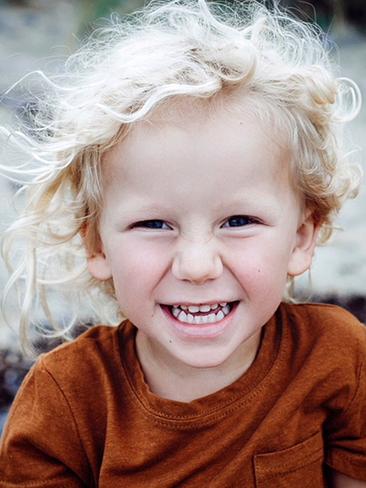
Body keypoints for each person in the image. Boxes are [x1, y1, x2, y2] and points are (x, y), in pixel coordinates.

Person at [0, 0, 365, 486]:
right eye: (154, 224)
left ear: (301, 237)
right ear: (97, 245)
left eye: (238, 220)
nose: (196, 265)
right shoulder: (66, 401)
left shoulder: (337, 359)